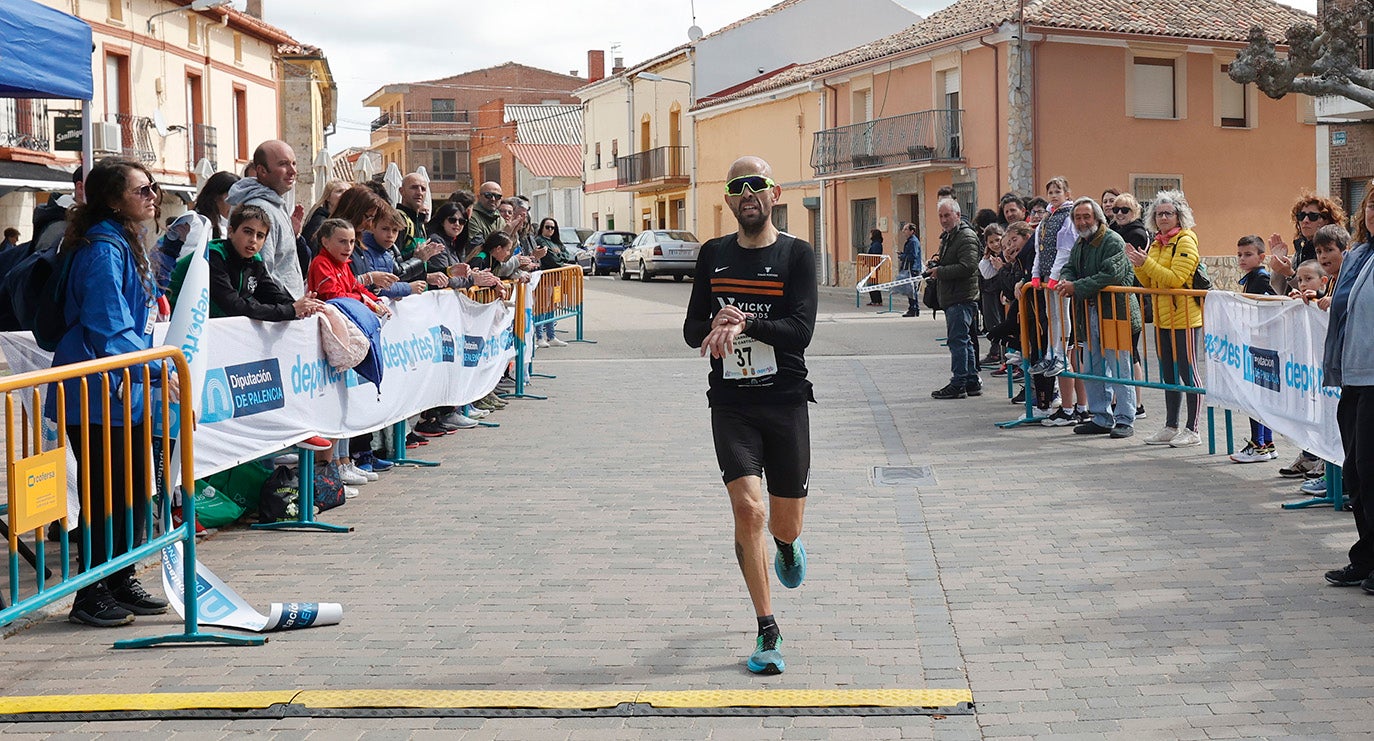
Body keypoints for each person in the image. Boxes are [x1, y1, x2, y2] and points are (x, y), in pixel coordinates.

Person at [682, 155, 816, 676]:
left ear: (774, 192)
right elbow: (693, 330)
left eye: (756, 184)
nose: (747, 194)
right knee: (748, 510)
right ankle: (767, 627)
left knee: (782, 521)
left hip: (784, 400)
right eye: (737, 186)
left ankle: (786, 545)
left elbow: (801, 331)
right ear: (729, 199)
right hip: (732, 403)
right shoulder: (713, 255)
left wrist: (747, 325)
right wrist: (715, 323)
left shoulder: (797, 255)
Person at [48, 157, 169, 627]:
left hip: (123, 388)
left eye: (152, 187)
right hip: (97, 390)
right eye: (142, 190)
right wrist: (155, 371)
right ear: (112, 200)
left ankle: (121, 576)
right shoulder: (101, 247)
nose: (152, 195)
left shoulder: (124, 241)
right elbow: (108, 324)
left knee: (129, 488)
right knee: (102, 491)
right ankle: (90, 590)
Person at [1320, 187, 1374, 594]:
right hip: (1353, 377)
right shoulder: (1358, 256)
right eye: (1372, 204)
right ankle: (1366, 559)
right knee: (1355, 472)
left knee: (1371, 473)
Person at [1127, 190, 1204, 448]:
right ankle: (1171, 425)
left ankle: (1192, 428)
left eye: (1168, 214)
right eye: (1158, 214)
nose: (1163, 218)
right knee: (1168, 374)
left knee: (1187, 372)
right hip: (1163, 318)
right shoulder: (1158, 242)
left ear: (1179, 216)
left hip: (1184, 318)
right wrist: (1140, 264)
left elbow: (1175, 279)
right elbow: (1151, 283)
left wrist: (1146, 263)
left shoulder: (1186, 240)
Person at [1057, 197, 1139, 438]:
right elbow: (1069, 266)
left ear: (1097, 218)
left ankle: (1125, 418)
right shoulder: (1080, 244)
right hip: (1088, 312)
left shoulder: (1113, 241)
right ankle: (1101, 417)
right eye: (1078, 218)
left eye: (1086, 217)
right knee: (1092, 366)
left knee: (1119, 366)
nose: (1082, 222)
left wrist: (1076, 287)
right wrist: (1066, 279)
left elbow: (1110, 275)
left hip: (1115, 312)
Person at [226, 140, 306, 298]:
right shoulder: (260, 208)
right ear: (262, 171)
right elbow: (261, 270)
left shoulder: (274, 203)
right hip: (277, 310)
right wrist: (289, 305)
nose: (292, 171)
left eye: (294, 163)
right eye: (283, 164)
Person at [1230, 235, 1279, 463]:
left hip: (1263, 344)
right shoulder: (1251, 278)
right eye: (1240, 254)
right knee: (1261, 395)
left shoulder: (1260, 279)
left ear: (1261, 256)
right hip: (1259, 343)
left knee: (1257, 396)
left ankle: (1258, 444)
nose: (1242, 258)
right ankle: (1266, 442)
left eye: (1248, 254)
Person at [928, 198, 982, 399]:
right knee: (963, 340)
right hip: (953, 297)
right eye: (941, 216)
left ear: (957, 215)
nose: (943, 220)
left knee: (957, 341)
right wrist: (936, 264)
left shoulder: (965, 236)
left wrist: (940, 271)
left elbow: (968, 266)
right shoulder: (950, 236)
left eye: (947, 215)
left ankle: (959, 382)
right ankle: (971, 380)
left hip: (962, 297)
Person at [1269, 194, 1346, 295]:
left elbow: (1321, 291)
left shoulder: (1334, 249)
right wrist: (1279, 266)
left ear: (1326, 220)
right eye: (1301, 216)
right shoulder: (1301, 249)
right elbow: (1281, 290)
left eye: (1312, 216)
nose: (1305, 221)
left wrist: (1290, 274)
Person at [534, 216, 573, 348]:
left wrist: (559, 255)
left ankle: (551, 336)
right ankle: (539, 337)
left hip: (556, 279)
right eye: (547, 227)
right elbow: (552, 260)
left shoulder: (557, 242)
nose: (550, 229)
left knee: (552, 307)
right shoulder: (540, 240)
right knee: (542, 308)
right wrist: (559, 256)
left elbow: (567, 255)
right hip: (545, 280)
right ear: (542, 228)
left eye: (552, 227)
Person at [979, 223, 1007, 366]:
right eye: (991, 242)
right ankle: (997, 353)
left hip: (1003, 293)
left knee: (1004, 323)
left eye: (998, 240)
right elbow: (986, 273)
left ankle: (1004, 357)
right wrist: (986, 258)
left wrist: (1000, 267)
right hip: (991, 291)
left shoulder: (1007, 253)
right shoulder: (990, 257)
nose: (995, 244)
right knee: (992, 323)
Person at [302, 179, 348, 247]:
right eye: (339, 191)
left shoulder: (340, 221)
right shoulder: (319, 222)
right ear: (328, 197)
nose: (344, 194)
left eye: (347, 191)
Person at [467, 181, 506, 251]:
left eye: (497, 196)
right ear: (479, 197)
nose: (493, 199)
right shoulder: (471, 216)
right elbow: (478, 247)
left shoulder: (500, 220)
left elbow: (506, 251)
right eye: (488, 195)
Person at [898, 222, 922, 317]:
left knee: (912, 290)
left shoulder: (913, 242)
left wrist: (902, 256)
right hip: (910, 267)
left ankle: (914, 309)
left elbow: (913, 256)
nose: (904, 232)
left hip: (913, 268)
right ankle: (913, 308)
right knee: (910, 290)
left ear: (912, 231)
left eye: (906, 229)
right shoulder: (910, 241)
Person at [865, 228, 884, 305]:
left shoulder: (876, 245)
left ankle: (876, 300)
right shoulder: (875, 244)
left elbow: (874, 255)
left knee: (872, 283)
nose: (870, 235)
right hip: (873, 266)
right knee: (873, 283)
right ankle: (876, 300)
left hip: (873, 266)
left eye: (871, 234)